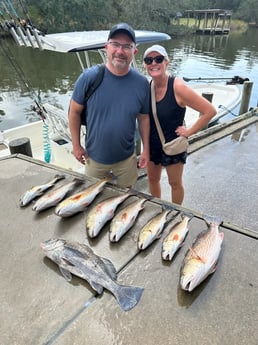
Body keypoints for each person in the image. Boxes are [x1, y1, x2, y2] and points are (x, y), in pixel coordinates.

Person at [69, 23, 150, 188]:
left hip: (127, 160)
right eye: (115, 44)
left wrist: (146, 149)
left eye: (127, 46)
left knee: (126, 199)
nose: (120, 51)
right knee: (92, 202)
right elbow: (74, 112)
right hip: (94, 159)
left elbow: (144, 118)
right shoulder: (88, 78)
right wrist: (76, 146)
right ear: (107, 47)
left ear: (134, 52)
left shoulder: (142, 83)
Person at [143, 44, 216, 204]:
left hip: (173, 144)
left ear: (166, 62)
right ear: (145, 65)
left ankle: (176, 214)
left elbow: (209, 111)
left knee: (174, 184)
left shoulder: (178, 86)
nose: (154, 63)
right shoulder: (148, 87)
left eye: (158, 59)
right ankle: (157, 210)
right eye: (149, 60)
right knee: (152, 180)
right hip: (153, 144)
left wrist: (189, 131)